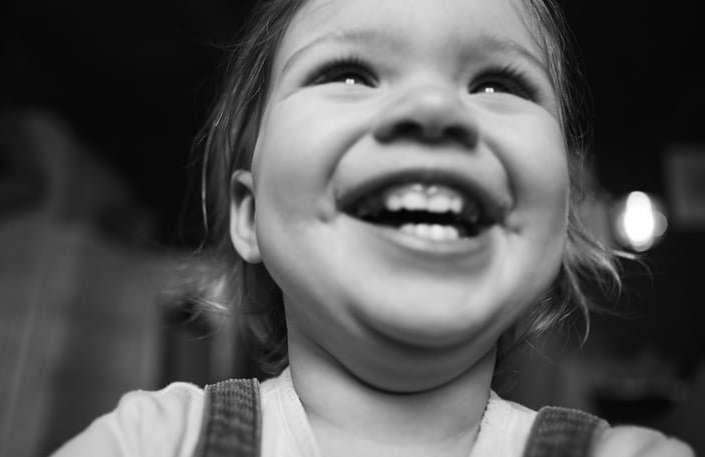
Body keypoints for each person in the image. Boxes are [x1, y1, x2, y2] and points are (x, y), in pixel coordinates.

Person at [52, 0, 693, 455]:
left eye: (497, 84)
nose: (433, 107)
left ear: (561, 221)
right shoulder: (154, 441)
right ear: (249, 214)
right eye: (349, 74)